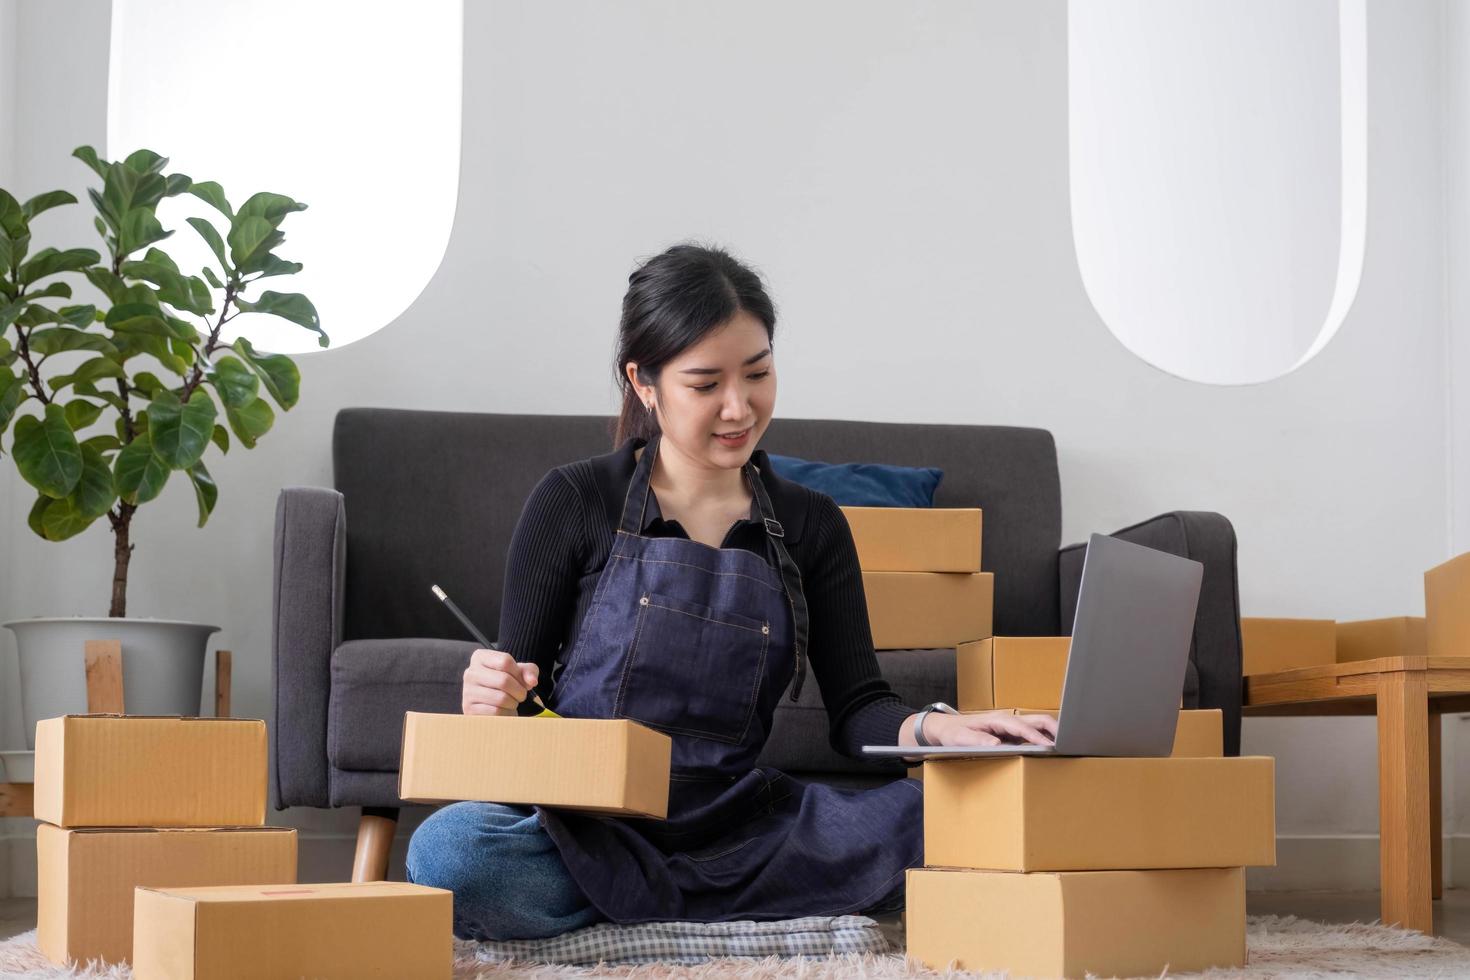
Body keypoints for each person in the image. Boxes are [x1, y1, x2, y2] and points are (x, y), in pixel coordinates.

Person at [405, 242, 1056, 941]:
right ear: (644, 383)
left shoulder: (812, 524)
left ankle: (635, 909)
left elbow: (860, 707)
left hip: (744, 828)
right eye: (705, 383)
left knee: (952, 817)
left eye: (758, 373)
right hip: (587, 831)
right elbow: (517, 705)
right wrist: (492, 699)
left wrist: (942, 729)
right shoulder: (574, 500)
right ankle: (717, 907)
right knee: (452, 852)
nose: (739, 407)